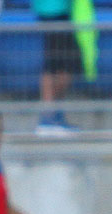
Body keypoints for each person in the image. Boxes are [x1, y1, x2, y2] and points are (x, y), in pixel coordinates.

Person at [33, 0, 81, 135]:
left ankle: (55, 115)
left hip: (61, 9)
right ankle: (48, 118)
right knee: (54, 64)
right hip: (53, 10)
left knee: (63, 63)